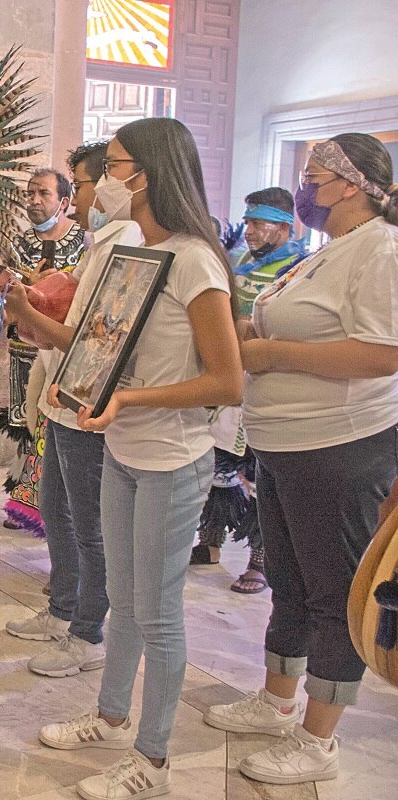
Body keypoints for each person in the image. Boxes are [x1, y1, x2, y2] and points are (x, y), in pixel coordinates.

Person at [4, 118, 243, 798]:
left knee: (157, 609)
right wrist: (33, 321)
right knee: (124, 598)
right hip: (123, 447)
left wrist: (130, 400)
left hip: (172, 455)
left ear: (149, 172)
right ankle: (111, 717)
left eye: (113, 165)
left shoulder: (194, 258)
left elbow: (225, 382)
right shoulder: (132, 250)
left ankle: (154, 761)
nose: (102, 180)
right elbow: (93, 346)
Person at [205, 133, 398, 785]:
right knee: (287, 583)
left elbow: (383, 353)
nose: (303, 188)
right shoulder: (328, 252)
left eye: (313, 175)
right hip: (284, 443)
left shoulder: (381, 250)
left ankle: (318, 739)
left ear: (349, 185)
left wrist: (272, 354)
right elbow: (293, 325)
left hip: (337, 448)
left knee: (330, 595)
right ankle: (275, 699)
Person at [4, 140, 144, 679]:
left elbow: (98, 340)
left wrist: (27, 313)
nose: (84, 193)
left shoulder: (125, 241)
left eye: (86, 182)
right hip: (64, 393)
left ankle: (87, 632)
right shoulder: (99, 243)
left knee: (90, 524)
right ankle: (62, 609)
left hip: (88, 400)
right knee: (54, 508)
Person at [191, 188, 308, 594]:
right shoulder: (239, 261)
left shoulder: (299, 267)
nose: (251, 230)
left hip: (265, 382)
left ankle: (260, 558)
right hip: (228, 374)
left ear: (284, 226)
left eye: (260, 223)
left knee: (255, 474)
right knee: (218, 464)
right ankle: (211, 541)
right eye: (250, 221)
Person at [2, 169, 87, 536]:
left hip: (66, 351)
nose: (34, 200)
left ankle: (53, 505)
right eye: (30, 192)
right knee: (26, 422)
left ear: (64, 201)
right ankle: (27, 499)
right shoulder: (17, 241)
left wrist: (47, 287)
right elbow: (5, 288)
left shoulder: (85, 241)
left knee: (55, 426)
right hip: (24, 346)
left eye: (44, 193)